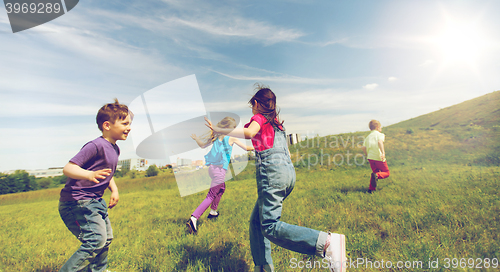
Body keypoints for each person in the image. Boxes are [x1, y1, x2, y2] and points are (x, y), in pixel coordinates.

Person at [205, 85, 346, 272]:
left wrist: (219, 130)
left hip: (272, 175)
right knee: (257, 222)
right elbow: (282, 150)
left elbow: (249, 133)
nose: (252, 110)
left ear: (256, 104)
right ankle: (263, 267)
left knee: (270, 225)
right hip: (287, 174)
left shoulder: (259, 118)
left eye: (252, 106)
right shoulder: (277, 125)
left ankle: (327, 242)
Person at [58, 99, 132, 272]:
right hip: (77, 202)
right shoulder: (95, 145)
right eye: (124, 123)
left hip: (95, 201)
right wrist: (89, 174)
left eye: (129, 123)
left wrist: (114, 188)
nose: (129, 127)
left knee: (106, 240)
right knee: (95, 241)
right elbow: (68, 168)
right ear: (107, 125)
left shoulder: (114, 148)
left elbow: (107, 172)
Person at [187, 116, 254, 234]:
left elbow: (202, 145)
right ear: (228, 128)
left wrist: (196, 138)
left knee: (221, 188)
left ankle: (213, 212)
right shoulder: (232, 138)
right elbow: (246, 148)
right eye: (233, 128)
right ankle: (194, 218)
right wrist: (257, 147)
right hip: (219, 171)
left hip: (212, 169)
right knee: (211, 195)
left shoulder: (216, 137)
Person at [362, 119, 390, 193]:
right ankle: (377, 176)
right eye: (381, 127)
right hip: (378, 157)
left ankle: (371, 189)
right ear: (378, 127)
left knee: (375, 172)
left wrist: (367, 154)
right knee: (386, 173)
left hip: (371, 158)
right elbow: (380, 142)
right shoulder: (380, 135)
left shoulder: (368, 137)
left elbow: (363, 147)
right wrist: (383, 153)